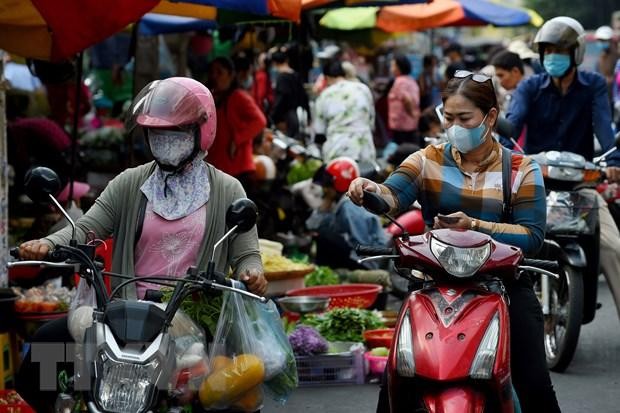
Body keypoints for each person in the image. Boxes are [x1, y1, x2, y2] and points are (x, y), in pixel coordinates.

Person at [15, 77, 266, 412]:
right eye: (157, 133)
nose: (165, 141)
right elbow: (87, 227)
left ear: (202, 131)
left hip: (189, 320)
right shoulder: (131, 182)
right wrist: (47, 244)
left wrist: (252, 274)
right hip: (123, 314)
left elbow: (247, 253)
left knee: (214, 397)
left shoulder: (228, 189)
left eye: (175, 133)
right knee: (44, 354)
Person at [349, 70, 560, 413]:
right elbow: (392, 195)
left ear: (490, 117)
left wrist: (474, 226)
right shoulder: (426, 159)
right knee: (396, 382)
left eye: (465, 118)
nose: (455, 126)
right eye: (448, 117)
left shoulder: (522, 169)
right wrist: (369, 190)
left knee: (534, 381)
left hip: (503, 285)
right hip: (433, 285)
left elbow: (532, 237)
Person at [506, 16, 620, 322]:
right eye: (547, 50)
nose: (552, 56)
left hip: (579, 186)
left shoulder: (593, 85)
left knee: (613, 247)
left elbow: (604, 127)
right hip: (532, 183)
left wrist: (612, 162)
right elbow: (513, 123)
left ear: (576, 53)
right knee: (499, 237)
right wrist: (499, 149)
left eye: (560, 49)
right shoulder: (530, 86)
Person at [306, 157, 387, 270]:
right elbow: (312, 225)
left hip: (369, 260)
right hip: (361, 253)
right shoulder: (340, 202)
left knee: (324, 235)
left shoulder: (349, 206)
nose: (324, 189)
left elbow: (362, 244)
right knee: (323, 232)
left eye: (327, 186)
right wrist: (325, 204)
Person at [206, 57, 267, 189]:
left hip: (238, 168)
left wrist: (237, 139)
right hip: (218, 168)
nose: (214, 77)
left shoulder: (238, 96)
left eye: (219, 72)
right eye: (212, 72)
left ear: (231, 75)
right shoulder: (212, 97)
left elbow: (260, 121)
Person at [313, 61, 376, 163]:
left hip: (338, 149)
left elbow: (320, 130)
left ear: (327, 77)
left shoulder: (325, 95)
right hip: (364, 148)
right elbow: (371, 120)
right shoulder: (362, 88)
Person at [269, 49, 310, 138]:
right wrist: (309, 115)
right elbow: (304, 96)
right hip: (299, 115)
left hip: (287, 118)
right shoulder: (296, 75)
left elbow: (281, 98)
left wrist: (273, 116)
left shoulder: (282, 78)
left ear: (274, 63)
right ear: (287, 60)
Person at [388, 54, 421, 146]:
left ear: (399, 67)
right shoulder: (410, 80)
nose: (391, 68)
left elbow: (407, 100)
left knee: (402, 150)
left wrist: (411, 113)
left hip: (402, 124)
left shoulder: (400, 82)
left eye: (393, 65)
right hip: (410, 124)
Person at [594, 25, 619, 102]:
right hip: (604, 94)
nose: (601, 43)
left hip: (615, 95)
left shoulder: (616, 55)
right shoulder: (602, 55)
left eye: (603, 40)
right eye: (600, 40)